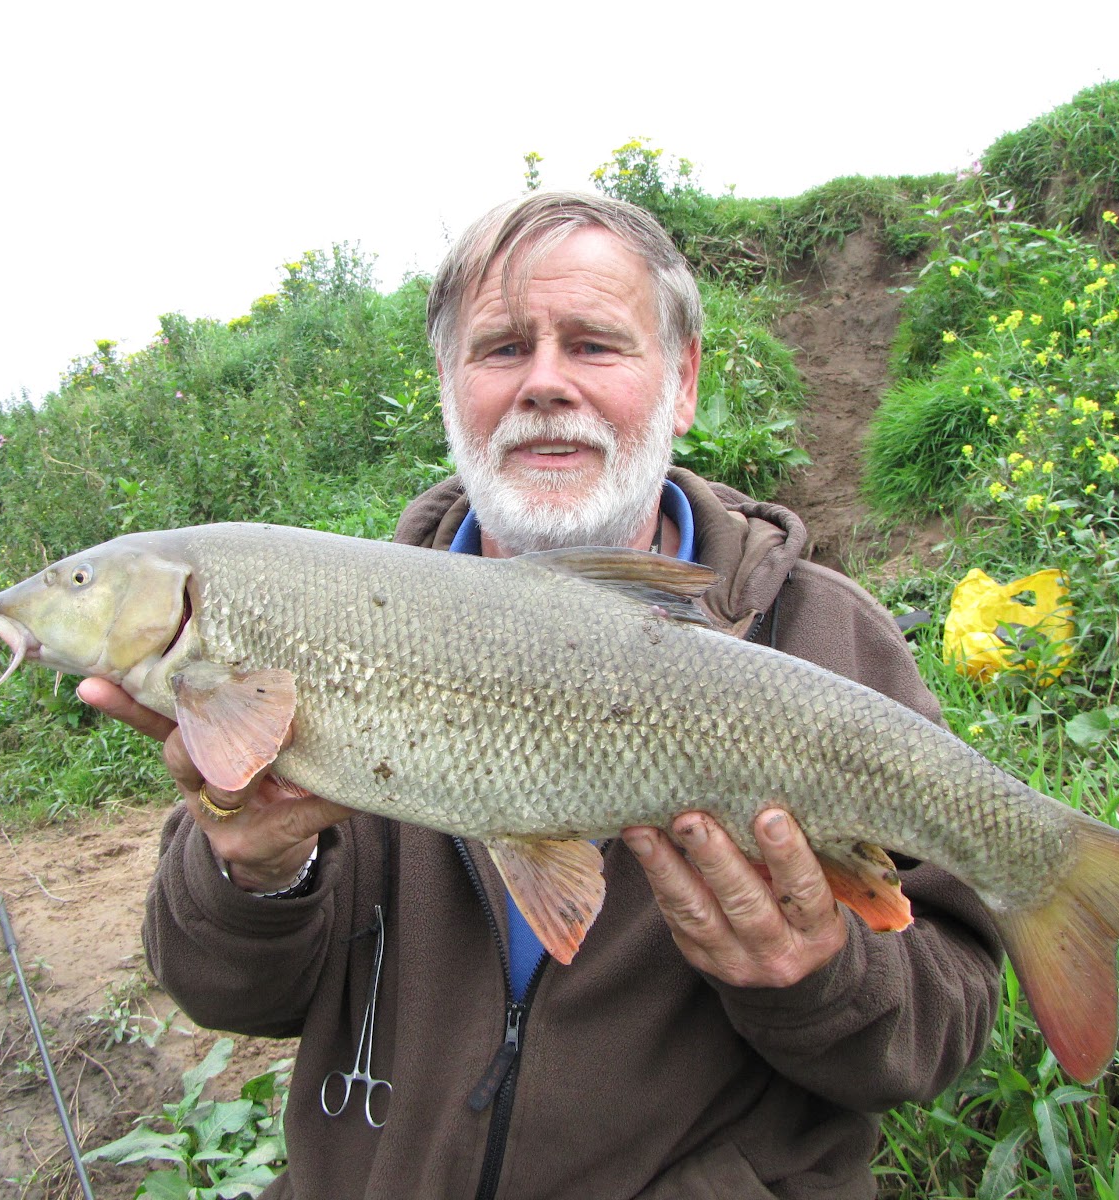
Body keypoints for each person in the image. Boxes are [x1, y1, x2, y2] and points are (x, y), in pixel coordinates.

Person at [79, 192, 1002, 1199]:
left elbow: (937, 1035)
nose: (544, 383)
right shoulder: (321, 626)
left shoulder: (831, 642)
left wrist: (819, 974)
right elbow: (221, 992)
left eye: (595, 345)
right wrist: (257, 869)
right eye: (502, 348)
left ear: (682, 381)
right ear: (448, 385)